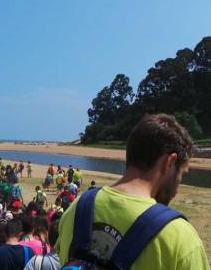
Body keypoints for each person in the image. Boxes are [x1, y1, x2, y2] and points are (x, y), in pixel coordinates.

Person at [56, 114, 210, 269]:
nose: (177, 188)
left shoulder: (76, 210)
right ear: (169, 162)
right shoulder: (180, 236)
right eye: (182, 174)